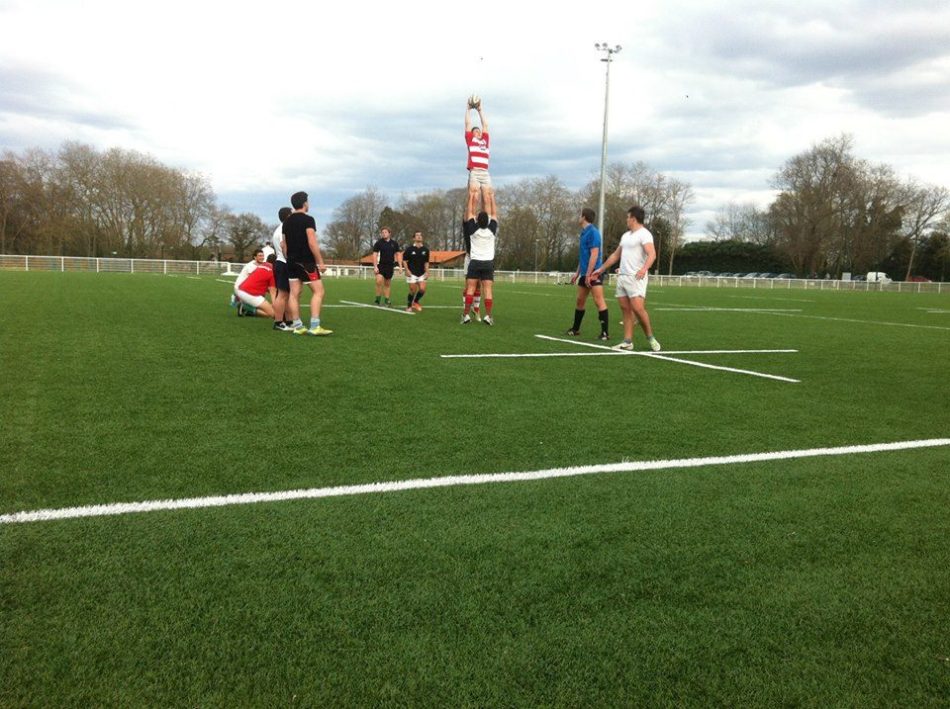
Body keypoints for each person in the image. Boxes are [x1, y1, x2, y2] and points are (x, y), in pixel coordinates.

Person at [591, 205, 661, 352]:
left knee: (638, 309)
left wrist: (643, 269)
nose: (626, 220)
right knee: (625, 309)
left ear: (633, 219)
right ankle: (627, 341)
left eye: (628, 217)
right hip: (622, 277)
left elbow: (652, 254)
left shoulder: (644, 234)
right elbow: (616, 255)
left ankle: (650, 337)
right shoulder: (625, 236)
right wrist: (601, 269)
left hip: (636, 278)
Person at [281, 191, 332, 336]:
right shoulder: (308, 220)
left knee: (294, 294)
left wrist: (289, 257)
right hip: (306, 262)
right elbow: (312, 242)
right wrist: (320, 262)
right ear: (304, 203)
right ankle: (315, 326)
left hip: (290, 261)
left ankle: (298, 326)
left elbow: (284, 245)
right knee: (319, 291)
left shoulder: (286, 222)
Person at [566, 208, 610, 341]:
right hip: (585, 273)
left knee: (598, 300)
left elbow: (594, 254)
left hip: (594, 273)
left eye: (580, 215)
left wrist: (590, 275)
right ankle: (575, 329)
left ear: (584, 217)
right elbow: (583, 256)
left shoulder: (593, 233)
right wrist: (577, 273)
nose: (578, 217)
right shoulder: (583, 233)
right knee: (580, 300)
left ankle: (605, 333)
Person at [461, 205, 498, 326]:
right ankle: (488, 315)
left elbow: (470, 214)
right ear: (488, 221)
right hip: (487, 262)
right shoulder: (491, 230)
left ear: (477, 219)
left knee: (470, 288)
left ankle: (466, 314)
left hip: (474, 261)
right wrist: (491, 197)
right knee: (487, 289)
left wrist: (471, 196)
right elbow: (494, 214)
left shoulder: (472, 229)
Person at [464, 98, 495, 217]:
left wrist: (480, 110)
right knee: (474, 196)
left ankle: (486, 223)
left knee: (487, 197)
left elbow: (485, 125)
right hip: (475, 172)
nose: (479, 132)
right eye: (476, 131)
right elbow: (467, 124)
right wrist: (468, 109)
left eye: (479, 131)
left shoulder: (485, 141)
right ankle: (472, 219)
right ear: (472, 134)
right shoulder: (470, 140)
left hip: (485, 173)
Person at [270, 206, 294, 331]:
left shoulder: (280, 229)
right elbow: (285, 249)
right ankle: (278, 322)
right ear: (288, 216)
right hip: (284, 263)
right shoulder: (283, 230)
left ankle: (289, 321)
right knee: (283, 295)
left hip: (282, 263)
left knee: (287, 295)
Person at [233, 253, 277, 319]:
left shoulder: (262, 265)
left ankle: (246, 309)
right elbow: (272, 292)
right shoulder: (273, 271)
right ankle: (247, 309)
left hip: (241, 289)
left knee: (269, 308)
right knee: (275, 315)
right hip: (250, 293)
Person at [372, 227, 403, 306]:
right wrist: (375, 266)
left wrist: (400, 266)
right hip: (381, 265)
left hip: (390, 266)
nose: (384, 233)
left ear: (389, 233)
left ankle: (387, 300)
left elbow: (398, 254)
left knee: (387, 284)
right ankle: (377, 300)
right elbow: (375, 254)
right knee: (378, 281)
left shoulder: (394, 243)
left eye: (385, 232)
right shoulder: (379, 243)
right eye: (382, 232)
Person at [231, 248, 265, 316]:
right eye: (260, 256)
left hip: (244, 286)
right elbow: (252, 280)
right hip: (241, 287)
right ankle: (244, 307)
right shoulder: (251, 266)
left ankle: (246, 309)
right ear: (255, 257)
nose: (262, 257)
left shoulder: (259, 265)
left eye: (262, 255)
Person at [402, 230, 430, 312]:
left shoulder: (426, 250)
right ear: (414, 238)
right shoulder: (409, 249)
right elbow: (404, 261)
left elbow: (426, 262)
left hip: (421, 273)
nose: (419, 236)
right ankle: (409, 306)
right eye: (417, 235)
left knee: (422, 289)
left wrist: (427, 271)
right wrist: (406, 270)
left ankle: (416, 302)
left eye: (420, 235)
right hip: (412, 273)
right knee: (413, 290)